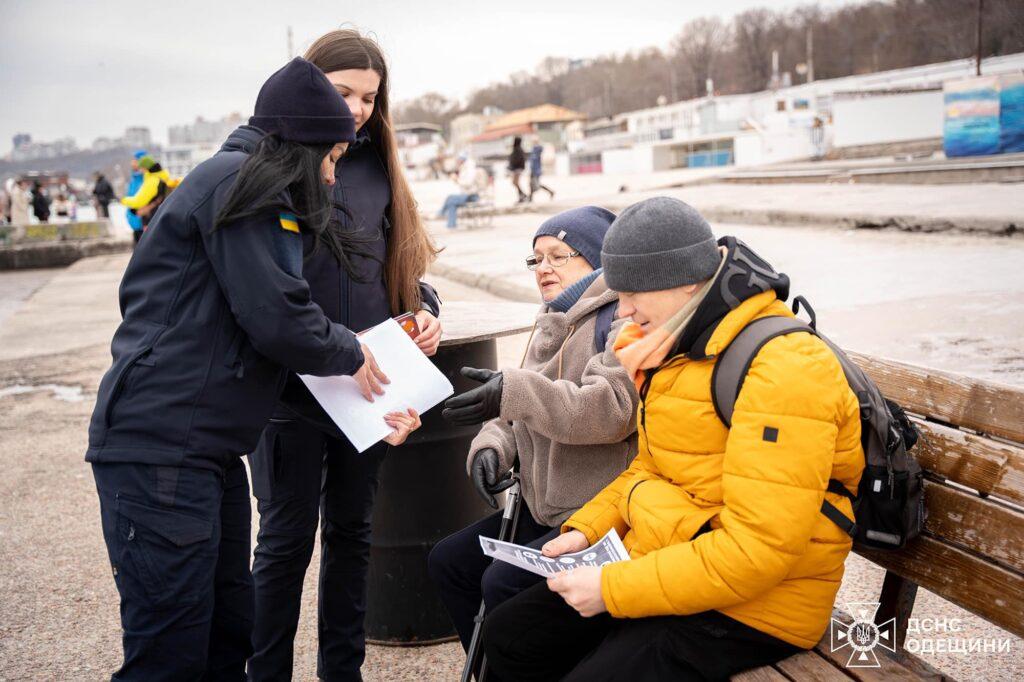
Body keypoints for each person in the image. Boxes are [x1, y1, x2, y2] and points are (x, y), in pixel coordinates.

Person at [87, 57, 422, 681]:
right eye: (328, 160)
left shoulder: (249, 181)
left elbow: (279, 324)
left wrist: (377, 394)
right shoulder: (246, 186)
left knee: (225, 633)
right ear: (303, 145)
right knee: (170, 653)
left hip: (206, 451)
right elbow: (278, 315)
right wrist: (355, 356)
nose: (331, 177)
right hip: (163, 449)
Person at [481, 197, 866, 681]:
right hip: (675, 554)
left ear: (682, 279)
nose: (622, 309)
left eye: (631, 292)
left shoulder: (784, 370)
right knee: (509, 635)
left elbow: (758, 552)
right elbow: (651, 466)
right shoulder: (675, 345)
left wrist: (613, 588)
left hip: (759, 605)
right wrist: (587, 528)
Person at [247, 30, 442, 682]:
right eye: (343, 92)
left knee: (353, 536)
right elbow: (265, 288)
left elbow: (394, 266)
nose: (357, 108)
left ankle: (342, 673)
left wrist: (423, 310)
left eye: (369, 97)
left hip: (366, 390)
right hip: (288, 390)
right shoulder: (278, 168)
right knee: (283, 543)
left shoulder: (378, 167)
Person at [429, 205, 639, 651]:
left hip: (593, 512)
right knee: (449, 562)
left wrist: (516, 392)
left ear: (597, 260)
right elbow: (512, 408)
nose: (543, 267)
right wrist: (491, 447)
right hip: (540, 505)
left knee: (502, 585)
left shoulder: (620, 319)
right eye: (536, 258)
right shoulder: (549, 320)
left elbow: (613, 411)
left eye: (558, 255)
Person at [121, 154, 176, 230]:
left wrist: (123, 200)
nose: (140, 171)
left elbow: (139, 201)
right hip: (160, 217)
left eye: (141, 168)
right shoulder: (161, 177)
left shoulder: (152, 180)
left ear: (145, 168)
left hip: (152, 219)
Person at [437, 153, 490, 229]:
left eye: (458, 159)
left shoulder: (470, 169)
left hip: (473, 195)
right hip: (466, 194)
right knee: (452, 203)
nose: (457, 161)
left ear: (462, 160)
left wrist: (457, 180)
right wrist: (457, 180)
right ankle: (451, 225)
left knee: (450, 198)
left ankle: (441, 213)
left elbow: (468, 183)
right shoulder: (464, 168)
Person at [125, 151, 147, 245]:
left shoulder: (146, 179)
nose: (132, 163)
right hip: (135, 224)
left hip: (144, 225)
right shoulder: (134, 178)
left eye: (134, 160)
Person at [507, 136, 527, 203]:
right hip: (517, 168)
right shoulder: (518, 149)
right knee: (515, 183)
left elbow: (516, 160)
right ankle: (522, 195)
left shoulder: (518, 150)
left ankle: (522, 195)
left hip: (517, 169)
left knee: (515, 183)